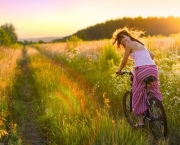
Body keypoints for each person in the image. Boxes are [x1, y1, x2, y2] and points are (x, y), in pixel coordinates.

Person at [112, 27, 162, 128]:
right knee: (150, 89)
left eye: (123, 37)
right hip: (153, 69)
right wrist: (143, 62)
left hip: (142, 70)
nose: (122, 40)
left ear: (128, 35)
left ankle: (140, 122)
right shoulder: (141, 45)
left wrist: (119, 70)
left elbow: (124, 61)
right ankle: (156, 107)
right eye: (120, 40)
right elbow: (152, 55)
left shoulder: (129, 45)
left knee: (136, 93)